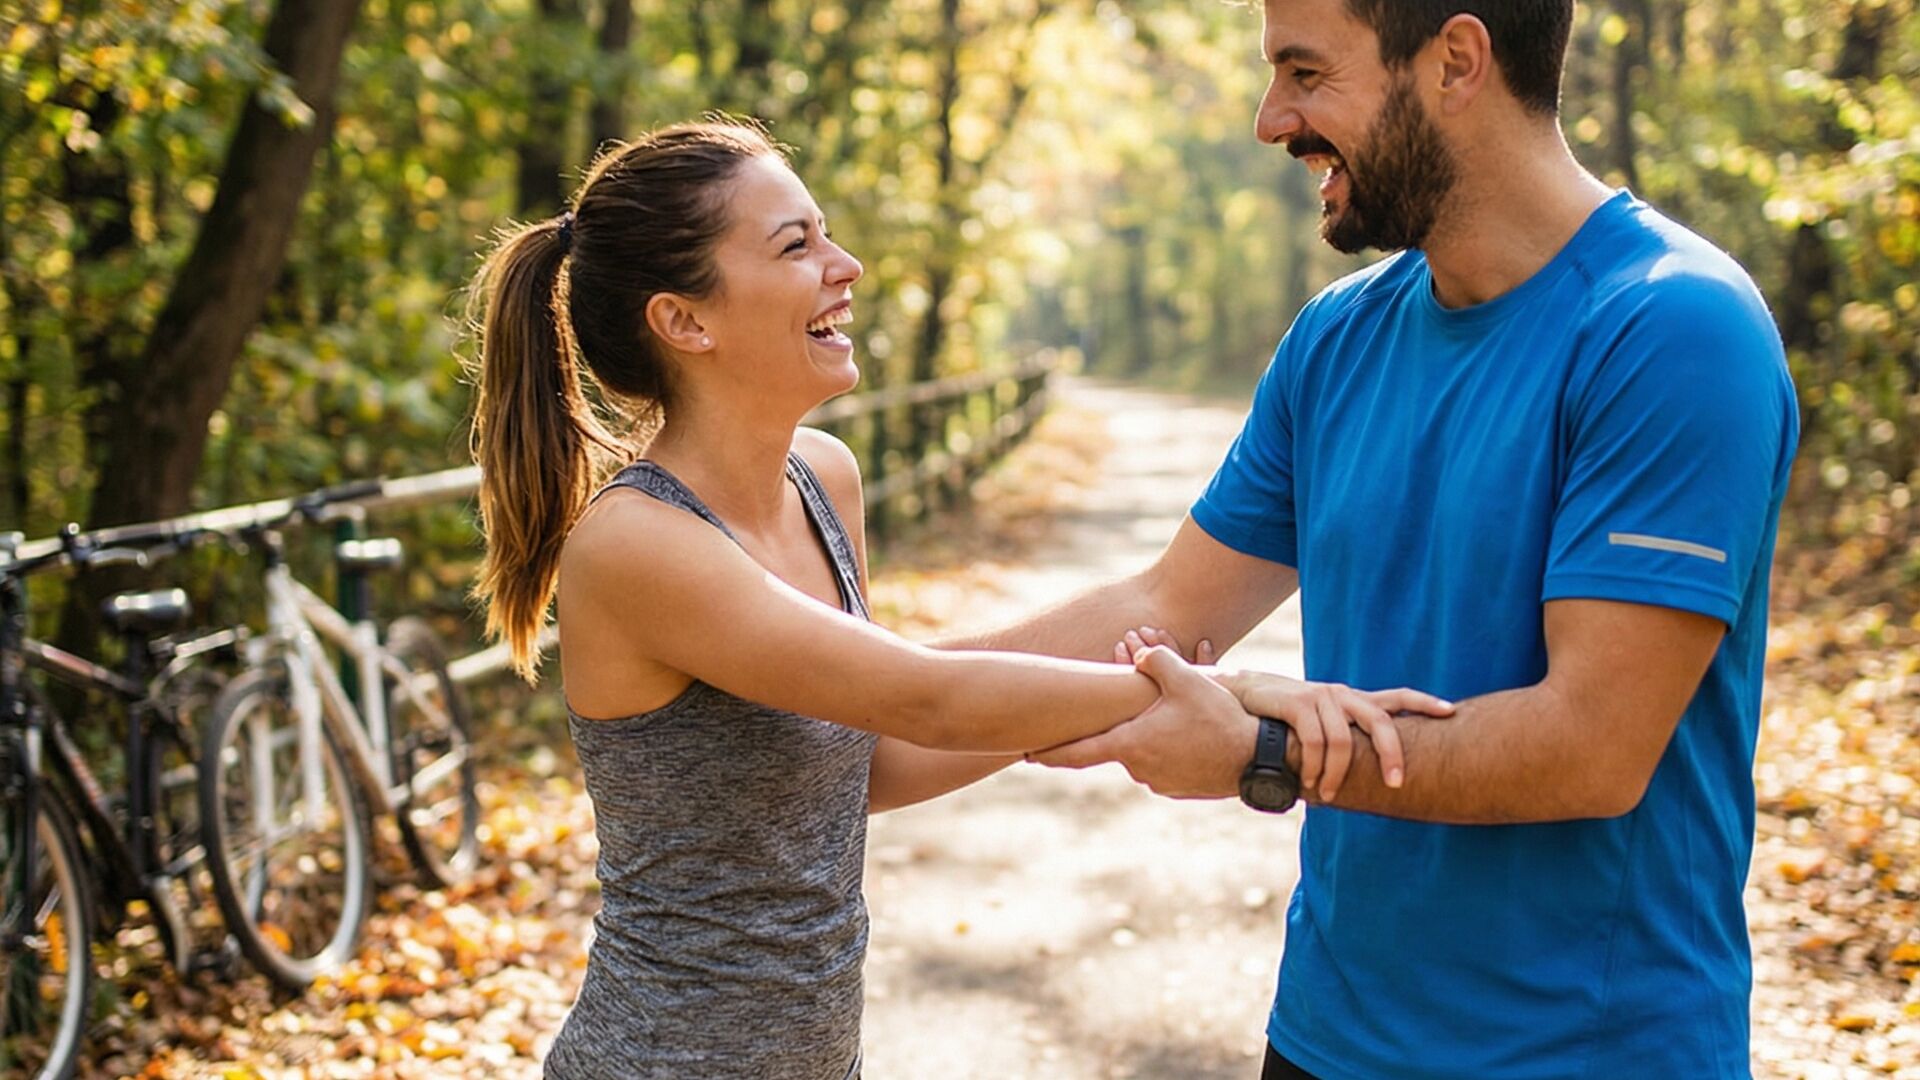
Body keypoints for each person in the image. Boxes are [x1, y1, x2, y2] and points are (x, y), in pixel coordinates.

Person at [463, 120, 1445, 1080]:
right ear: (685, 320)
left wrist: (1163, 676)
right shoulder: (637, 543)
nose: (844, 266)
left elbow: (879, 756)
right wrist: (1227, 697)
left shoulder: (822, 482)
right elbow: (928, 697)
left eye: (827, 233)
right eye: (796, 245)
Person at [958, 1, 1798, 1077]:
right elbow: (1166, 610)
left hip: (1582, 1051)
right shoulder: (1336, 337)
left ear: (1454, 61)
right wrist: (842, 716)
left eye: (1305, 73)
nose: (1273, 120)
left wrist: (1264, 752)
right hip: (1323, 1035)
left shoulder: (1672, 328)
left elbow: (1592, 748)